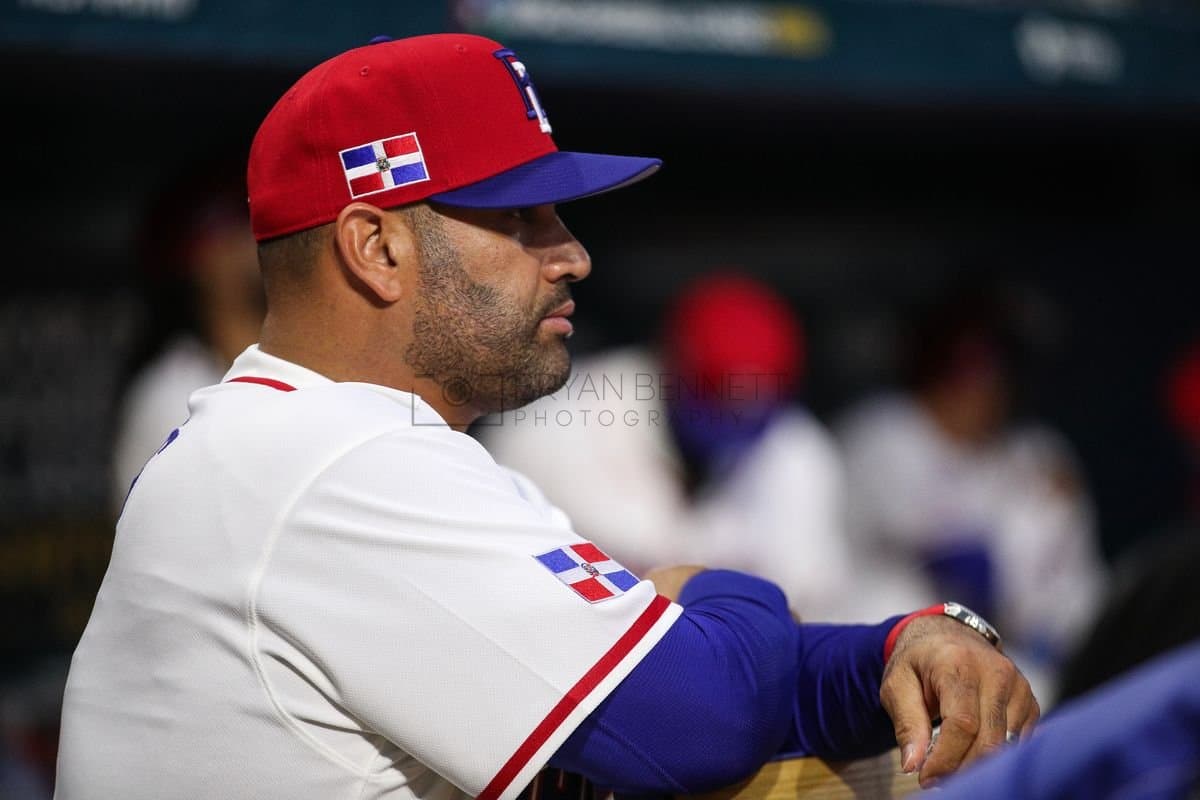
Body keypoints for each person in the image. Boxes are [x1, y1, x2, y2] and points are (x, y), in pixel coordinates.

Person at [55, 33, 1036, 800]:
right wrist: (717, 581)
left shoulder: (325, 438)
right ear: (376, 248)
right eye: (521, 219)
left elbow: (707, 678)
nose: (572, 255)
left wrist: (904, 640)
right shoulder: (327, 460)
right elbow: (700, 715)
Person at [480, 271, 926, 623]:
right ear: (670, 366)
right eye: (719, 404)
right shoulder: (549, 427)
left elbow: (811, 606)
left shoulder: (797, 452)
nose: (735, 425)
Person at [835, 286, 1106, 702]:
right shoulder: (884, 437)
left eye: (997, 368)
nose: (981, 385)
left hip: (1025, 660)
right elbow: (965, 567)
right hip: (895, 665)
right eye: (964, 366)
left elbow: (1069, 593)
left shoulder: (1037, 453)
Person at [110, 160, 265, 511]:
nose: (253, 241)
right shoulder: (172, 392)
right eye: (235, 229)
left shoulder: (295, 362)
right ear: (202, 258)